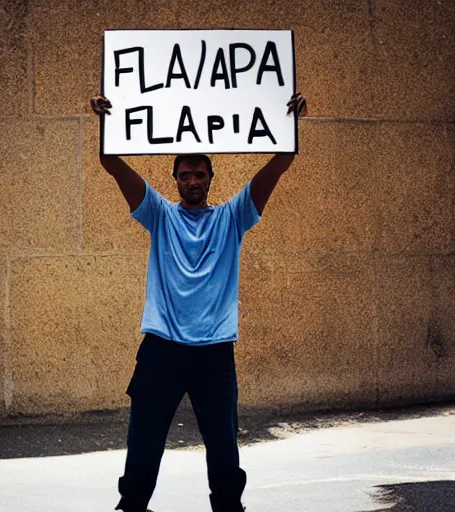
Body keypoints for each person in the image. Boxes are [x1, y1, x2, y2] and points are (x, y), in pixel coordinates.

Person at [91, 93, 307, 512]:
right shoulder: (158, 214)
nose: (193, 181)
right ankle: (131, 507)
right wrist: (107, 126)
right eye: (185, 175)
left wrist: (290, 126)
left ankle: (229, 509)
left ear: (211, 176)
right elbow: (112, 164)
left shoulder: (233, 216)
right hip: (162, 350)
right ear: (174, 180)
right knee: (143, 444)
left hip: (213, 353)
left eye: (200, 174)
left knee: (225, 450)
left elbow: (278, 166)